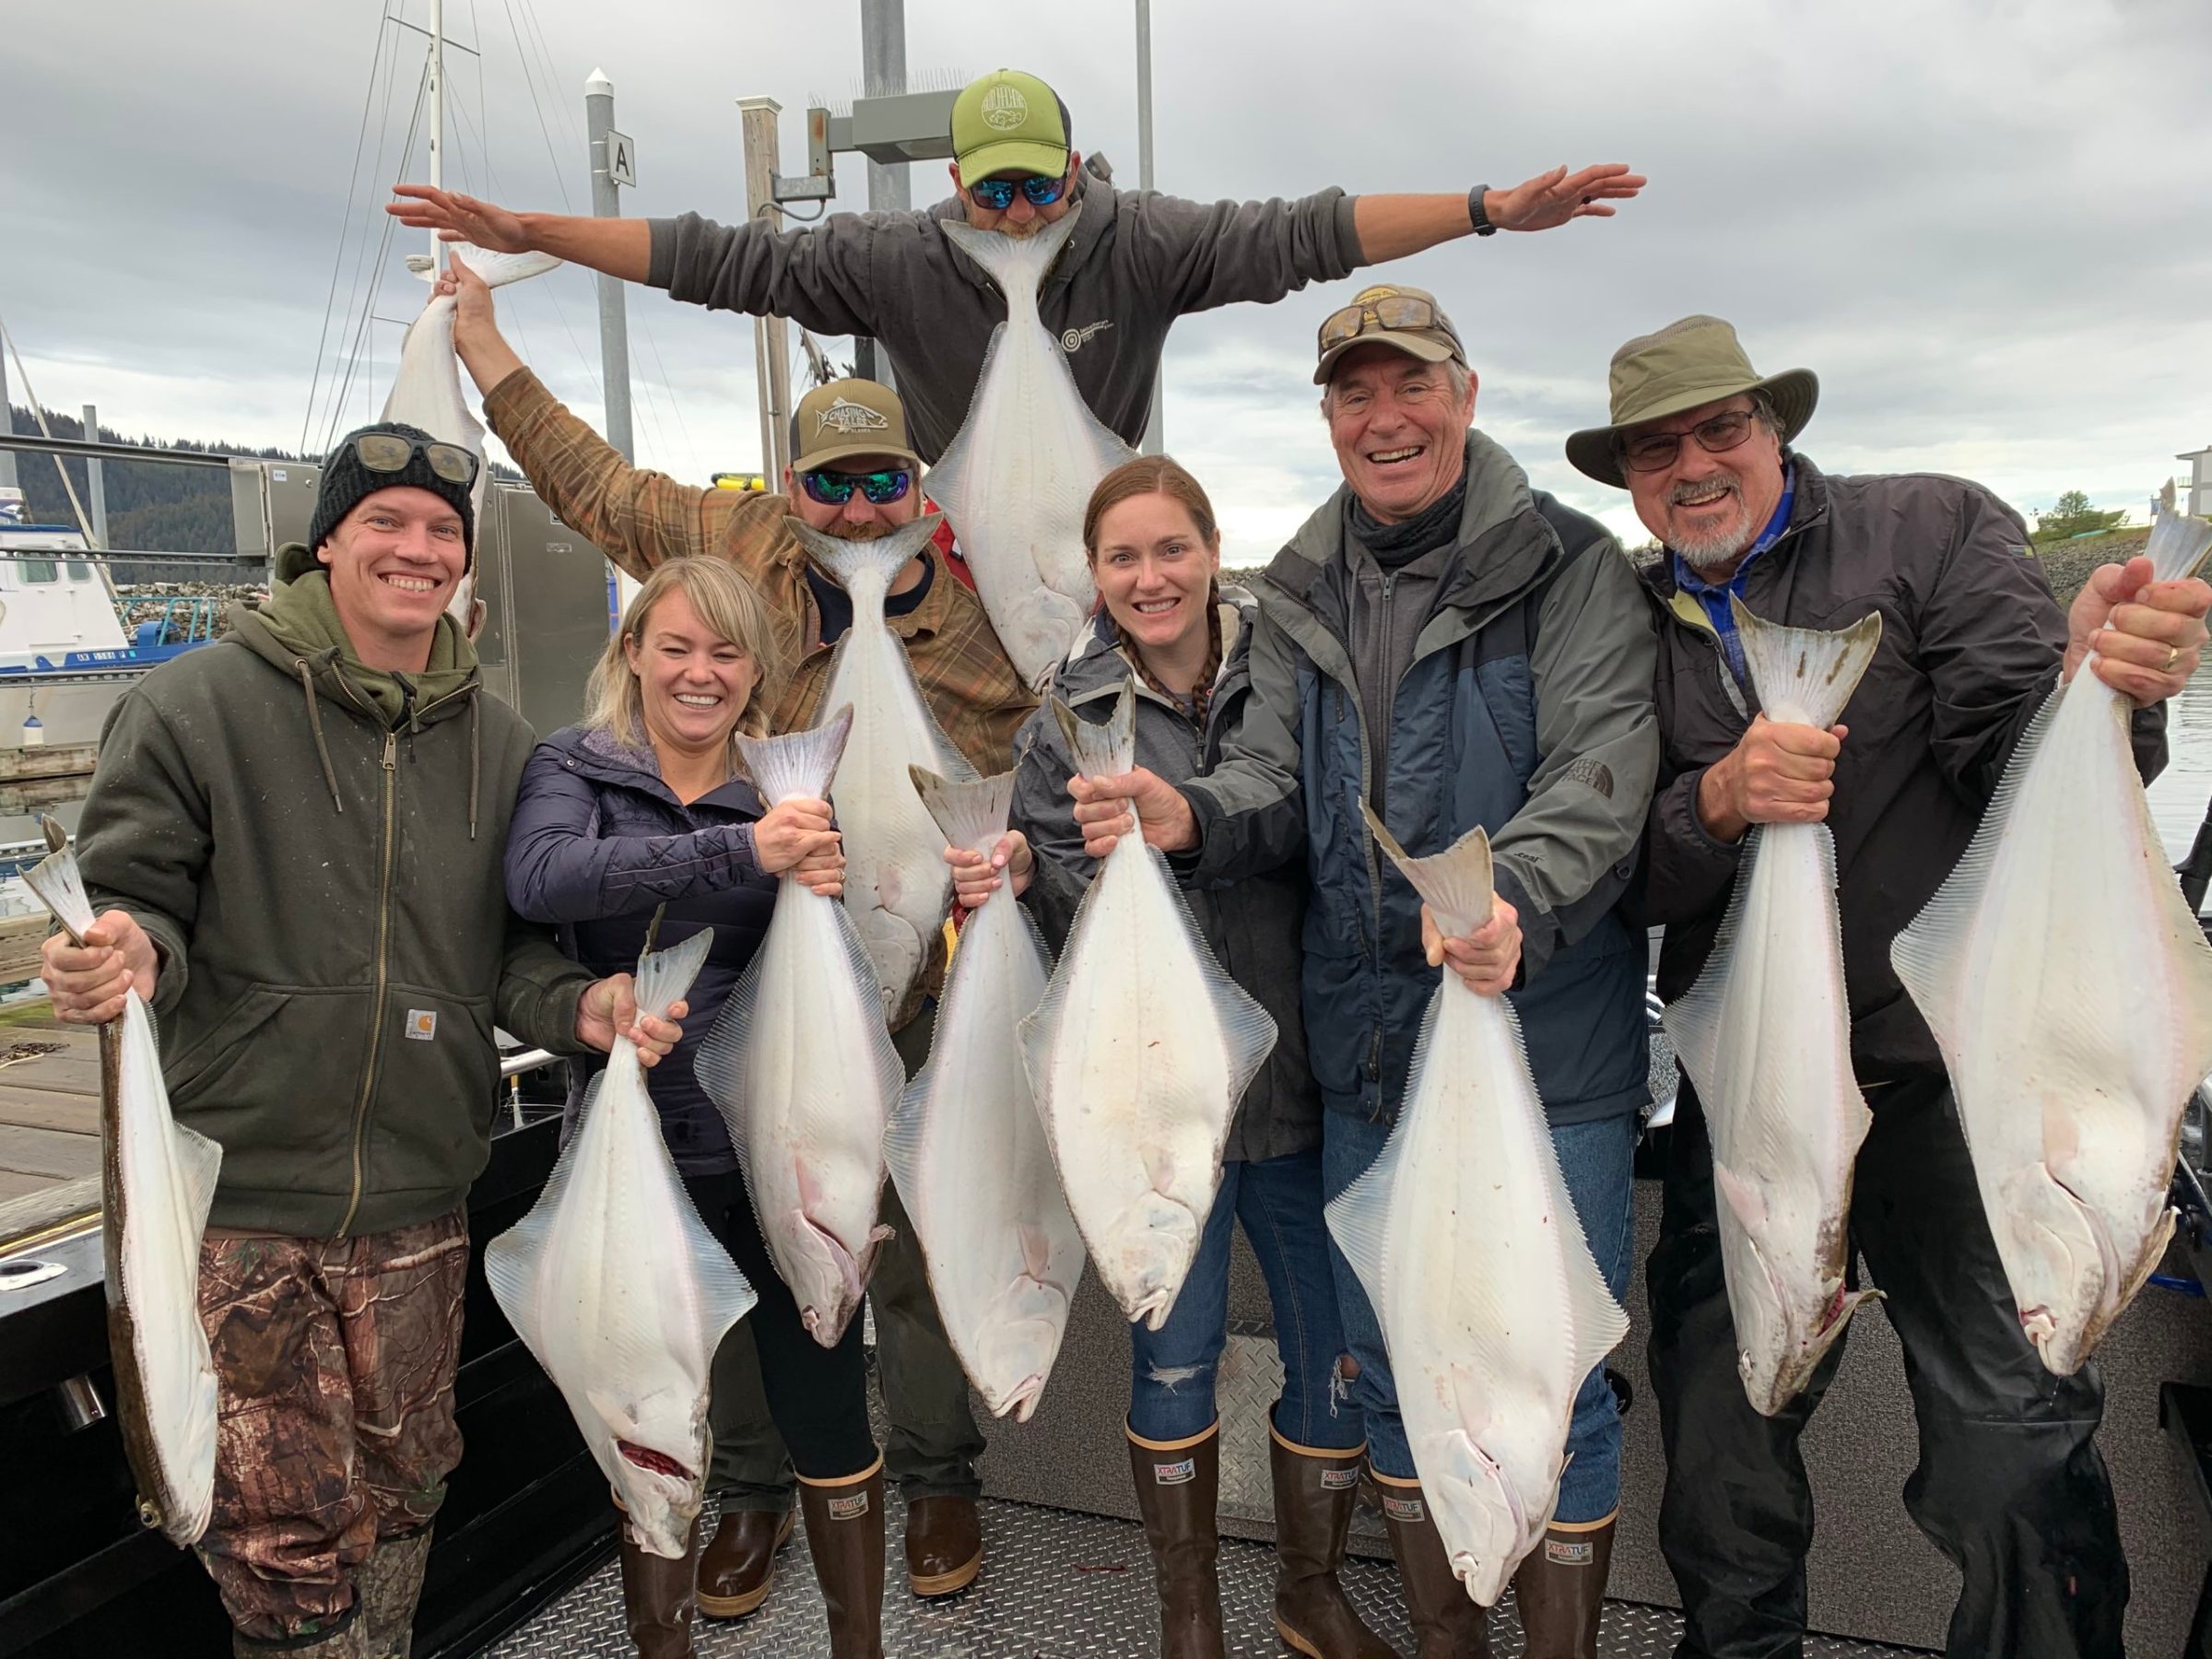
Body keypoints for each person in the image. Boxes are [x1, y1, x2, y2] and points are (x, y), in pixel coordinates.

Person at [1568, 313, 2211, 1659]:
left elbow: (2015, 756)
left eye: (1719, 429)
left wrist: (2100, 690)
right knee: (1722, 1452)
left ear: (1773, 426)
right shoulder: (1626, 621)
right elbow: (1621, 868)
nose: (1692, 464)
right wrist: (1719, 802)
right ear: (1625, 476)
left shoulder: (1933, 530)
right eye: (1655, 447)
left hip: (1958, 1084)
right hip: (1751, 1090)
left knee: (2012, 1451)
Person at [1065, 288, 1659, 1659]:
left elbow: (1602, 772)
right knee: (1387, 1372)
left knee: (1554, 1373)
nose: (1383, 418)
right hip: (1364, 1056)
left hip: (1547, 1049)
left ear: (1464, 392)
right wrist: (1191, 814)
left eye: (1411, 387)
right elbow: (1270, 772)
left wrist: (1510, 899)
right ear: (1327, 414)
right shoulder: (1301, 580)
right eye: (1354, 393)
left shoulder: (1570, 566)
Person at [439, 260, 1027, 1609]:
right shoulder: (741, 551)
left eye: (885, 482)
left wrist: (1019, 863)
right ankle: (750, 1491)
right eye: (833, 483)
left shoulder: (989, 612)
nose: (859, 506)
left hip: (921, 986)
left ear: (920, 489)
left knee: (919, 1243)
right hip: (762, 981)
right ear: (793, 486)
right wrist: (483, 346)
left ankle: (937, 1471)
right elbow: (590, 482)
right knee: (742, 1245)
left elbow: (1044, 754)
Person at [38, 424, 680, 1659]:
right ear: (327, 538)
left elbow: (509, 957)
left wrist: (581, 1010)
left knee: (404, 1494)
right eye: (386, 520)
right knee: (276, 1542)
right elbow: (138, 903)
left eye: (443, 530)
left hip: (419, 1198)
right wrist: (118, 952)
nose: (418, 548)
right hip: (241, 1200)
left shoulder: (499, 741)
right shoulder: (190, 708)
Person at [949, 457, 1391, 1659]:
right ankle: (1187, 1613)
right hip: (1147, 1104)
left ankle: (1308, 1591)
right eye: (1123, 558)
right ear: (1096, 575)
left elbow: (1314, 818)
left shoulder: (1289, 677)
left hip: (1299, 1086)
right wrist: (1032, 876)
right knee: (1175, 1355)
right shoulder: (1066, 717)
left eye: (1169, 550)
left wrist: (1181, 823)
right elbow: (1062, 898)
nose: (1150, 578)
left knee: (1331, 1356)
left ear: (1209, 550)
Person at [390, 67, 1644, 465]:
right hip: (963, 557)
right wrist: (539, 232)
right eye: (994, 189)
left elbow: (1305, 233)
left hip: (1107, 546)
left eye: (1043, 183)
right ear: (954, 185)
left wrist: (1485, 210)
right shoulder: (889, 263)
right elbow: (723, 261)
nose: (1021, 209)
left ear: (1077, 171)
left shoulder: (1144, 240)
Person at [504, 556, 887, 1657]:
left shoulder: (785, 787)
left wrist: (831, 879)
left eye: (726, 653)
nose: (700, 673)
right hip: (635, 1158)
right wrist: (741, 849)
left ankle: (857, 1640)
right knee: (644, 1416)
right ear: (634, 652)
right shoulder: (575, 768)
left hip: (779, 1160)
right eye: (676, 646)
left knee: (825, 1405)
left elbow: (830, 962)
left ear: (755, 670)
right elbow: (541, 880)